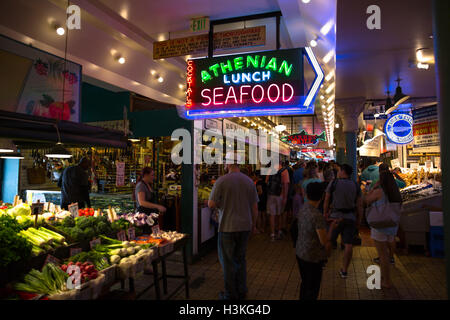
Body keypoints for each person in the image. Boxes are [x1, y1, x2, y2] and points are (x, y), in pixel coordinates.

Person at [208, 159, 259, 300]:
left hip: (227, 227)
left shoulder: (221, 181)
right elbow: (255, 208)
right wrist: (254, 226)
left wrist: (221, 204)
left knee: (228, 261)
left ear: (228, 164)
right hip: (245, 227)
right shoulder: (249, 181)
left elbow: (211, 204)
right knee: (241, 259)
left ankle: (230, 294)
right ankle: (242, 290)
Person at [296, 182, 339, 300]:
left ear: (307, 194)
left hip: (300, 252)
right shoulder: (316, 215)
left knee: (305, 284)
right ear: (322, 196)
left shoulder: (303, 208)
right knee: (312, 289)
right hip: (312, 257)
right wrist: (331, 229)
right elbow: (324, 241)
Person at [323, 164, 363, 279]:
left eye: (339, 170)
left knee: (330, 239)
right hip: (350, 217)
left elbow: (326, 199)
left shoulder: (334, 183)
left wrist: (325, 213)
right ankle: (344, 270)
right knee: (348, 244)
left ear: (342, 171)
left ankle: (324, 261)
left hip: (335, 217)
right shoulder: (355, 185)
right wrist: (359, 220)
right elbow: (360, 204)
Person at [364, 169, 402, 289]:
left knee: (382, 254)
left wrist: (372, 188)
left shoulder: (379, 191)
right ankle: (386, 272)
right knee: (386, 250)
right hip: (392, 224)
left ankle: (387, 281)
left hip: (380, 224)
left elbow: (366, 200)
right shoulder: (396, 192)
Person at [266, 161, 290, 242]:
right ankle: (279, 231)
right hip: (280, 196)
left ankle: (272, 234)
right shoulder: (284, 171)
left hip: (271, 195)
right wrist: (285, 197)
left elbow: (267, 182)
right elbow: (286, 185)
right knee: (279, 214)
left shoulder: (269, 170)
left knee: (272, 215)